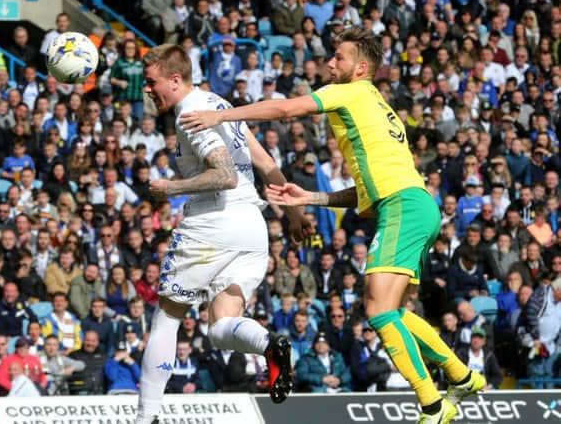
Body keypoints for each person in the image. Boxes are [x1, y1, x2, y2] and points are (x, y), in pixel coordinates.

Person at [180, 27, 483, 423]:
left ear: (359, 67)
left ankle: (432, 404)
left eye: (337, 58)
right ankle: (461, 376)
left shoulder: (352, 91)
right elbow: (365, 192)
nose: (329, 64)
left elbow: (286, 109)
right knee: (387, 307)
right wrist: (310, 198)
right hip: (414, 205)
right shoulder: (376, 104)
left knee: (377, 311)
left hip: (403, 207)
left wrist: (219, 115)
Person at [135, 44, 310, 424]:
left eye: (152, 82)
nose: (147, 90)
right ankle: (269, 344)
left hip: (214, 221)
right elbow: (264, 162)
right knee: (219, 328)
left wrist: (170, 188)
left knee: (167, 318)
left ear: (176, 79)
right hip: (252, 227)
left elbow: (225, 175)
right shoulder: (217, 102)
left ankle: (145, 417)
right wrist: (294, 214)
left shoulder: (188, 114)